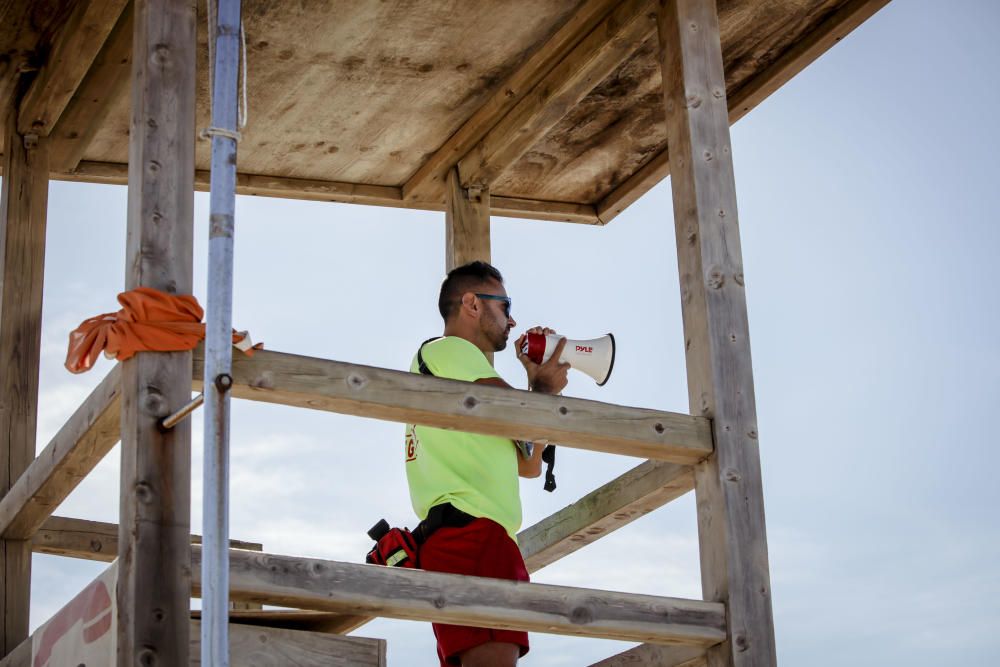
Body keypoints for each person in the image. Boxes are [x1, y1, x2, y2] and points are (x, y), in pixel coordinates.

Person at [405, 261, 569, 666]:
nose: (512, 320)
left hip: (468, 535)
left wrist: (538, 389)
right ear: (472, 304)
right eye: (505, 305)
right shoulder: (448, 350)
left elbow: (529, 464)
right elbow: (515, 409)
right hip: (474, 535)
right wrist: (542, 390)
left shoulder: (464, 381)